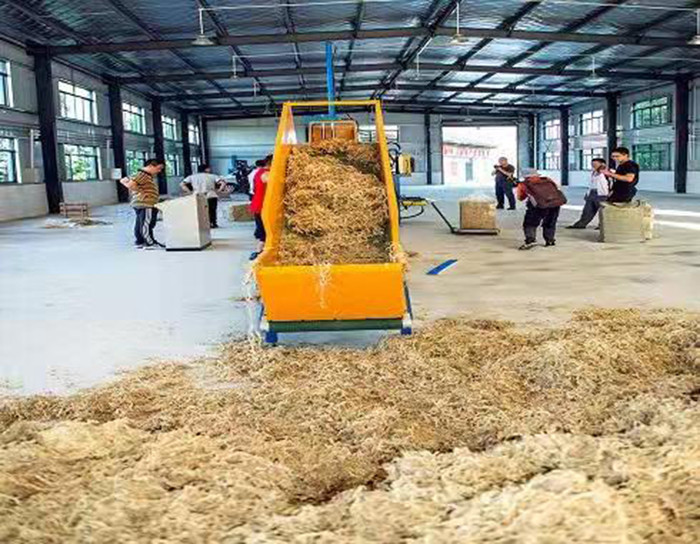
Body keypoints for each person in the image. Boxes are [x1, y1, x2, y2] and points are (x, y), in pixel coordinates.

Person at [516, 168, 567, 250]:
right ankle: (550, 240)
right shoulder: (548, 180)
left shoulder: (524, 184)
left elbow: (520, 197)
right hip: (554, 204)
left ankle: (531, 240)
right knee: (550, 222)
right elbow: (556, 189)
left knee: (530, 223)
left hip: (538, 205)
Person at [120, 158, 165, 249]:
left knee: (141, 223)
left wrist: (139, 190)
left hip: (142, 203)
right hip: (146, 203)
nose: (159, 171)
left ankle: (140, 241)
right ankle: (149, 243)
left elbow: (127, 182)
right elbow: (130, 185)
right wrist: (140, 191)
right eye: (158, 168)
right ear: (151, 166)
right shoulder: (142, 175)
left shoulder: (142, 175)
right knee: (147, 224)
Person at [567, 157, 610, 229]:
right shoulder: (593, 173)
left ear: (602, 164)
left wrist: (611, 193)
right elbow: (591, 184)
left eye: (595, 164)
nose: (593, 165)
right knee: (587, 210)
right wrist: (587, 194)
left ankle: (602, 226)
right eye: (592, 164)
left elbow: (612, 183)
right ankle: (581, 224)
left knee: (603, 212)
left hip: (603, 194)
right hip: (592, 193)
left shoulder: (608, 173)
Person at [181, 164, 227, 228]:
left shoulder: (192, 177)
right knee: (212, 210)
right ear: (206, 169)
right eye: (209, 168)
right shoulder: (213, 176)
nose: (210, 170)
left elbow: (182, 184)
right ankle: (212, 223)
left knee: (199, 210)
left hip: (197, 195)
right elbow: (223, 183)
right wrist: (219, 190)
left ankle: (201, 224)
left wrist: (189, 192)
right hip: (211, 195)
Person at [249, 154, 272, 260]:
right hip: (262, 205)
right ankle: (259, 253)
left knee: (263, 230)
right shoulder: (266, 174)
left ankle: (260, 252)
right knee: (264, 231)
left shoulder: (259, 172)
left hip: (260, 204)